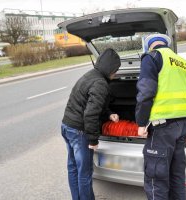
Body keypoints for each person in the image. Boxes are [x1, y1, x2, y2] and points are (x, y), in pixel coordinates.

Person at [135, 34, 186, 200]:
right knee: (177, 177)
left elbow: (146, 92)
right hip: (181, 127)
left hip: (162, 130)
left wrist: (141, 123)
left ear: (149, 46)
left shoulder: (152, 57)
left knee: (156, 181)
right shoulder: (183, 64)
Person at [61, 48, 121, 200]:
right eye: (115, 70)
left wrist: (109, 114)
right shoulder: (100, 83)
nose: (115, 74)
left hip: (67, 126)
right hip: (79, 132)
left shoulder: (90, 75)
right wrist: (93, 140)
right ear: (110, 68)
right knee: (85, 173)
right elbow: (90, 114)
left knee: (73, 168)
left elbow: (91, 105)